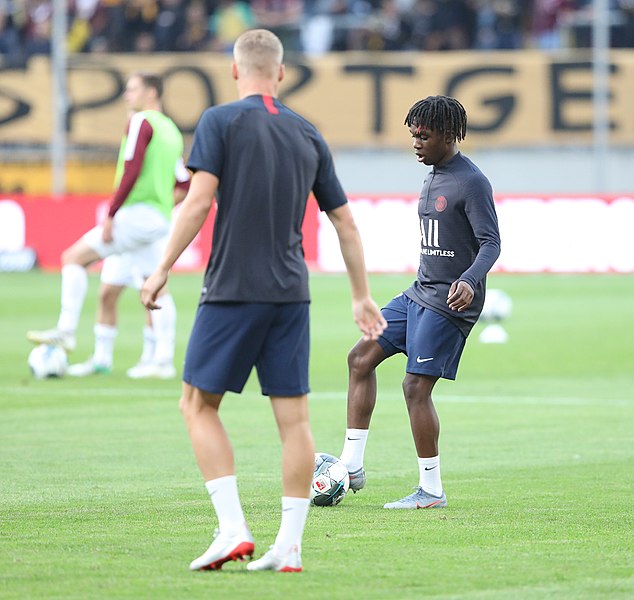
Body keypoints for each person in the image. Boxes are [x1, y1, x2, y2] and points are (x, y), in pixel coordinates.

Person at [141, 29, 386, 573]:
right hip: (291, 295)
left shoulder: (220, 121)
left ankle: (232, 529)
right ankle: (290, 546)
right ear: (280, 73)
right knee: (294, 422)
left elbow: (199, 200)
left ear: (234, 71)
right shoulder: (307, 133)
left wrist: (160, 269)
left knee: (197, 405)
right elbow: (344, 220)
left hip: (232, 290)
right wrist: (360, 296)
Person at [339, 95, 501, 509]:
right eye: (412, 134)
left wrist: (469, 279)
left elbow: (491, 243)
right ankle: (350, 467)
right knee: (359, 359)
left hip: (449, 301)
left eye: (423, 135)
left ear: (448, 135)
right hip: (419, 292)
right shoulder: (431, 175)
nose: (415, 142)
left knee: (415, 387)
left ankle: (431, 491)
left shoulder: (471, 181)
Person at [27, 72, 187, 381]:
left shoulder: (142, 121)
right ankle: (151, 360)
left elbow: (131, 168)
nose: (127, 96)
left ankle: (66, 331)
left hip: (134, 215)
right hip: (155, 220)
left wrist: (112, 213)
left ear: (151, 92)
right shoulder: (171, 130)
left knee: (72, 258)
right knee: (140, 289)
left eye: (133, 90)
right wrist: (162, 208)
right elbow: (183, 182)